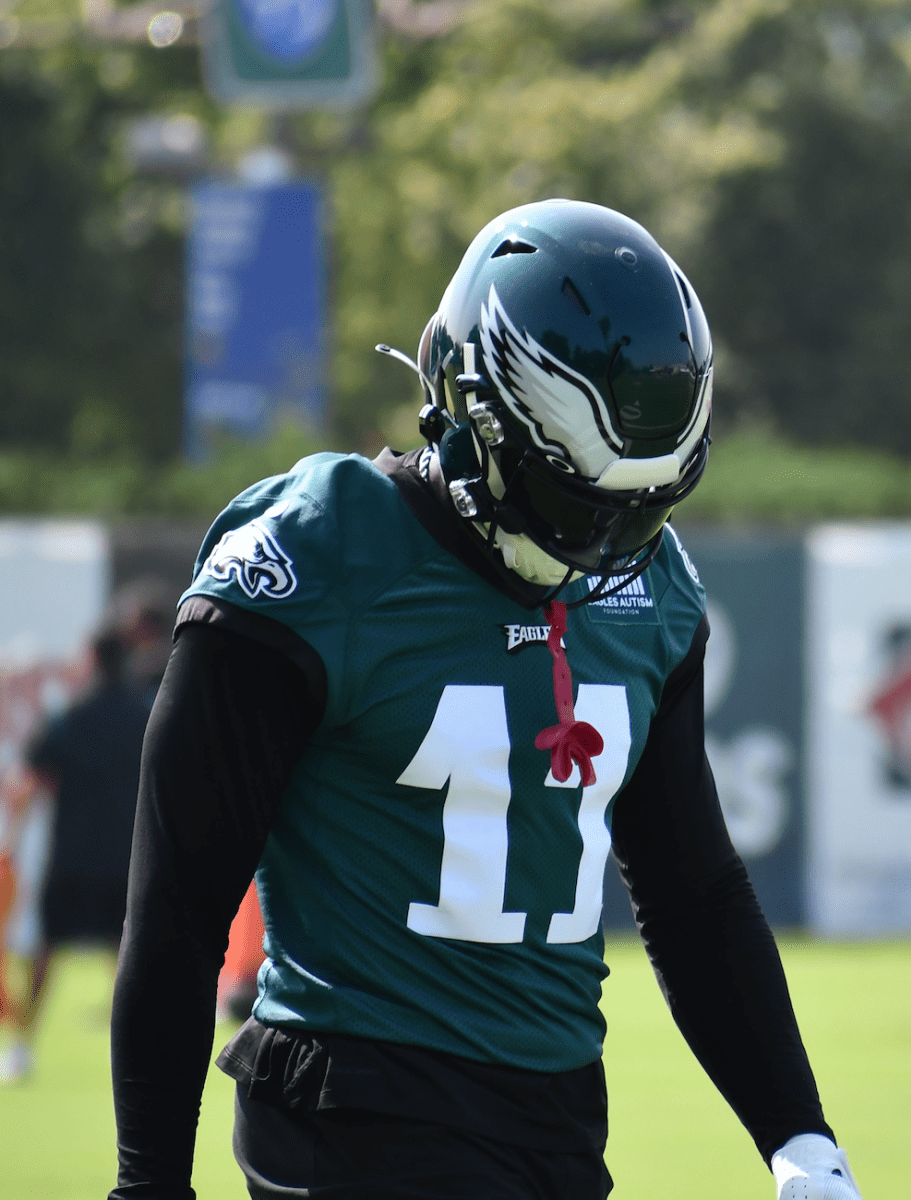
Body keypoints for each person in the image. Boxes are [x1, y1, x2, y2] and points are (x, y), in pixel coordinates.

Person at [110, 200, 861, 1200]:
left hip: (555, 1123)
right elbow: (181, 903)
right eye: (576, 503)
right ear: (469, 410)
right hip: (351, 1110)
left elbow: (691, 890)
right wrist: (148, 1181)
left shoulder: (649, 592)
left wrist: (798, 1135)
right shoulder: (319, 555)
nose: (602, 549)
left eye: (637, 513)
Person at [1, 629, 149, 1083]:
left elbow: (34, 780)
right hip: (128, 857)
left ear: (91, 660)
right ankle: (134, 1050)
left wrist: (14, 843)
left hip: (72, 856)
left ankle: (21, 1049)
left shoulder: (69, 717)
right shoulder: (142, 715)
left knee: (44, 955)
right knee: (125, 958)